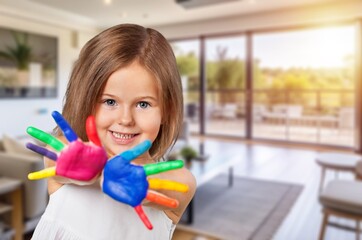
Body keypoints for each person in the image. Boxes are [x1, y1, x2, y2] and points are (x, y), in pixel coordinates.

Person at [30, 23, 196, 240]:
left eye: (143, 104)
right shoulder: (64, 151)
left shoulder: (179, 181)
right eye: (109, 101)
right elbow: (58, 159)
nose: (125, 119)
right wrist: (95, 168)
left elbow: (173, 187)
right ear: (86, 101)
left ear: (167, 110)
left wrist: (138, 183)